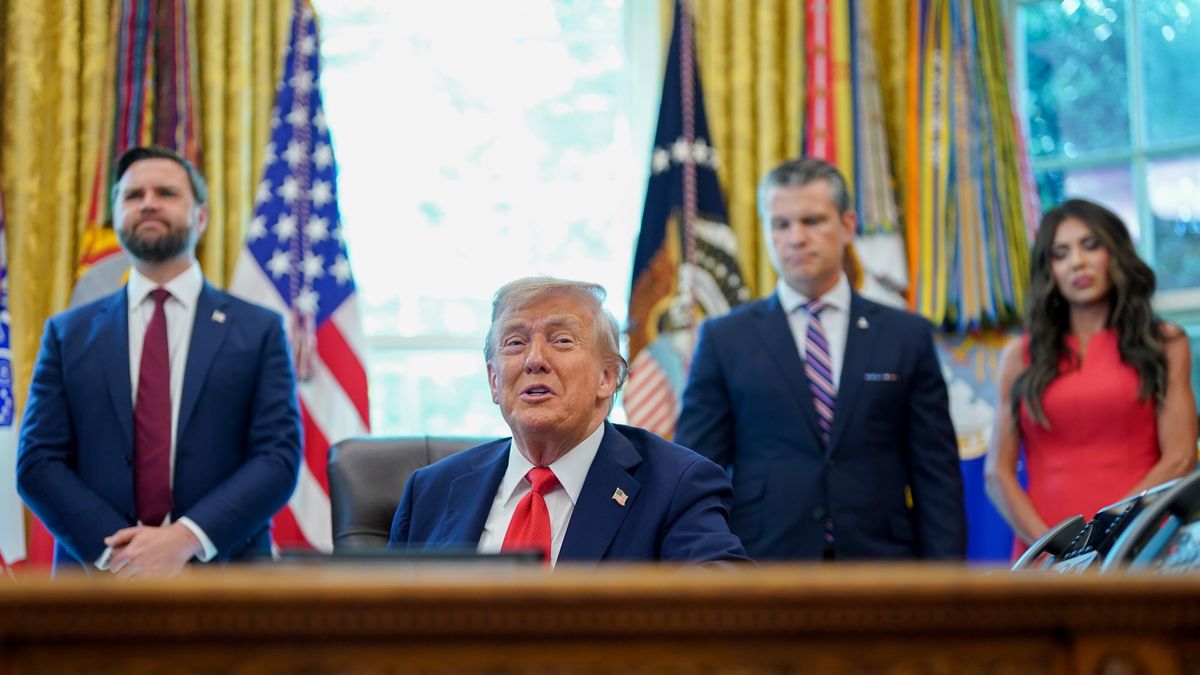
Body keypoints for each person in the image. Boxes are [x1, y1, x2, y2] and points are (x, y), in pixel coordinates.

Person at [17, 146, 302, 577]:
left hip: (227, 579)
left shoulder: (259, 330)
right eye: (133, 196)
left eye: (166, 192)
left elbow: (277, 457)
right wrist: (126, 555)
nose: (148, 202)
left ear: (200, 217)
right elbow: (38, 463)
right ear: (116, 216)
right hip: (97, 583)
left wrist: (185, 539)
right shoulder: (67, 333)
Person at [676, 157, 966, 560]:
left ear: (847, 226)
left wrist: (947, 590)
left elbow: (937, 476)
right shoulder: (725, 339)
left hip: (883, 567)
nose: (796, 237)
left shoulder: (905, 336)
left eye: (812, 221)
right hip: (763, 565)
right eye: (781, 224)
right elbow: (695, 472)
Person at [389, 277, 748, 565]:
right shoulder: (431, 490)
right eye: (514, 343)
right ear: (494, 381)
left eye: (561, 340)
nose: (534, 360)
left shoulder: (676, 485)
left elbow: (727, 608)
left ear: (607, 378)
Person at [986, 198, 1197, 555]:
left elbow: (1180, 458)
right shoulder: (1019, 355)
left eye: (1090, 245)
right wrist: (1054, 548)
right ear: (1049, 269)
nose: (1077, 262)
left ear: (1115, 253)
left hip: (1141, 541)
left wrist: (1108, 534)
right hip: (1045, 552)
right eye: (1060, 253)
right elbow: (997, 474)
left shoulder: (1165, 342)